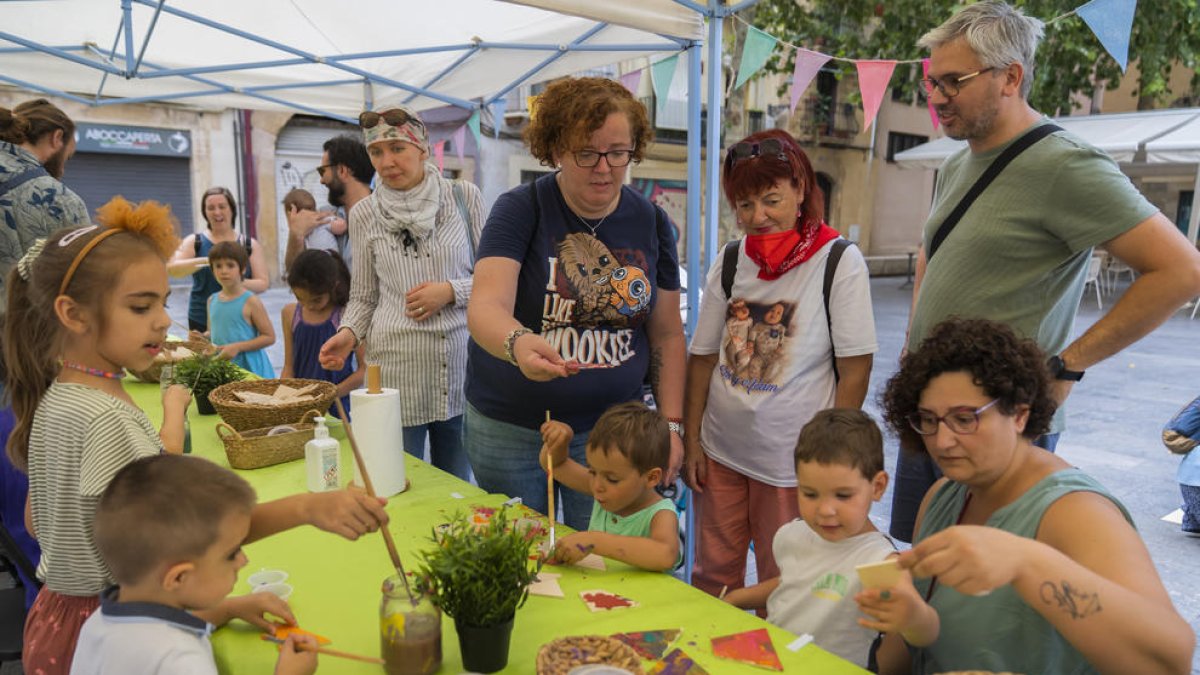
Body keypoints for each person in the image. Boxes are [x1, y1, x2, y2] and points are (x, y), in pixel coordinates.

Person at [4, 198, 389, 674]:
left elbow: (44, 524)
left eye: (163, 303)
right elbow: (179, 539)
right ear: (74, 314)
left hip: (74, 619)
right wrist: (308, 507)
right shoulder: (106, 416)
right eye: (141, 306)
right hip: (120, 627)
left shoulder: (59, 394)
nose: (165, 321)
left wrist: (219, 610)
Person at [892, 0, 1200, 542]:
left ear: (1011, 76)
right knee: (925, 568)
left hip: (999, 426)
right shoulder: (957, 161)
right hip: (934, 411)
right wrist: (915, 339)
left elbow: (1181, 271)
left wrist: (1067, 368)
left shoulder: (1064, 164)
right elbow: (931, 253)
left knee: (979, 590)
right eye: (931, 82)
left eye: (952, 81)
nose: (936, 97)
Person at [860, 318, 1194, 675]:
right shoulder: (943, 496)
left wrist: (1027, 562)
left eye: (965, 418)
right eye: (929, 419)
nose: (942, 441)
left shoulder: (1076, 512)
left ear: (1019, 414)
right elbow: (910, 651)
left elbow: (1170, 659)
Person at [465, 77, 686, 531]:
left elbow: (665, 333)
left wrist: (672, 426)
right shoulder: (520, 208)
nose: (604, 167)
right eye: (586, 153)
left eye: (618, 152)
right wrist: (519, 343)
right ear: (556, 151)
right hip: (512, 428)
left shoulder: (652, 221)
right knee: (518, 553)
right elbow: (485, 306)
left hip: (613, 437)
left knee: (601, 560)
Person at [683, 129, 876, 599]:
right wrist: (691, 441)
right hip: (722, 453)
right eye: (745, 205)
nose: (758, 217)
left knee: (784, 584)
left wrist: (831, 457)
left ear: (800, 190)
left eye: (771, 199)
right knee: (712, 577)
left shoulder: (838, 262)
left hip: (792, 467)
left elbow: (856, 370)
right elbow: (703, 358)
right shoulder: (731, 260)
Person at [318, 106, 483, 481]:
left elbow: (494, 281)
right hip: (394, 373)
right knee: (395, 480)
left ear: (422, 149)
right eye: (377, 152)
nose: (387, 161)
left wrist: (450, 291)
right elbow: (363, 296)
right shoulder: (364, 214)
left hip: (457, 369)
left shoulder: (463, 198)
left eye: (397, 149)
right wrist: (347, 335)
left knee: (455, 487)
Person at [73, 454, 317, 675]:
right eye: (231, 553)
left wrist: (228, 609)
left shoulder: (99, 621)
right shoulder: (181, 660)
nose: (244, 560)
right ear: (178, 578)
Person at [0, 97, 89, 611]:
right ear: (56, 139)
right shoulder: (57, 200)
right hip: (32, 384)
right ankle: (57, 612)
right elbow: (84, 298)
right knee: (42, 512)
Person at [723, 409, 897, 668]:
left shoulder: (881, 562)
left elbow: (903, 637)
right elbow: (796, 582)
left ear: (878, 487)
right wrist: (739, 598)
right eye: (810, 494)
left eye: (843, 495)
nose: (825, 510)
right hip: (774, 660)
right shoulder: (794, 534)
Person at [538, 401, 681, 572]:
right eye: (592, 471)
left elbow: (665, 555)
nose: (597, 485)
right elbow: (556, 466)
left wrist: (594, 541)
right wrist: (560, 442)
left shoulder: (661, 513)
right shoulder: (603, 488)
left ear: (651, 477)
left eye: (612, 479)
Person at [0, 98, 89, 312]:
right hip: (19, 338)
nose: (64, 168)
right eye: (67, 158)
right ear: (57, 137)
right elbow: (85, 281)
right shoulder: (62, 200)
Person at [169, 187, 268, 333]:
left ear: (232, 209)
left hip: (241, 319)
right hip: (201, 318)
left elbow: (262, 283)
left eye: (222, 206)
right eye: (211, 208)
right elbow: (173, 269)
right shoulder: (195, 241)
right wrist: (207, 261)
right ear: (205, 212)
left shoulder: (249, 245)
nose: (217, 212)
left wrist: (234, 281)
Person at [282, 249, 364, 417]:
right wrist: (284, 397)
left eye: (316, 299)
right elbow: (289, 367)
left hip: (338, 409)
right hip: (301, 407)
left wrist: (331, 395)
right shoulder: (290, 313)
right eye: (299, 298)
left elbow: (364, 370)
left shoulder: (348, 317)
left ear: (334, 286)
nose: (308, 305)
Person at [283, 135, 374, 271]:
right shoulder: (321, 215)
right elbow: (293, 272)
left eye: (322, 171)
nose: (321, 180)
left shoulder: (384, 215)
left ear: (342, 171)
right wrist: (296, 234)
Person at [205, 241, 275, 379]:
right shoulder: (211, 300)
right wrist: (202, 336)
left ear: (242, 269)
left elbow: (269, 337)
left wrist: (237, 347)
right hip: (224, 370)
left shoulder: (251, 301)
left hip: (250, 370)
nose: (224, 271)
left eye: (230, 265)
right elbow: (214, 333)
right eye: (218, 266)